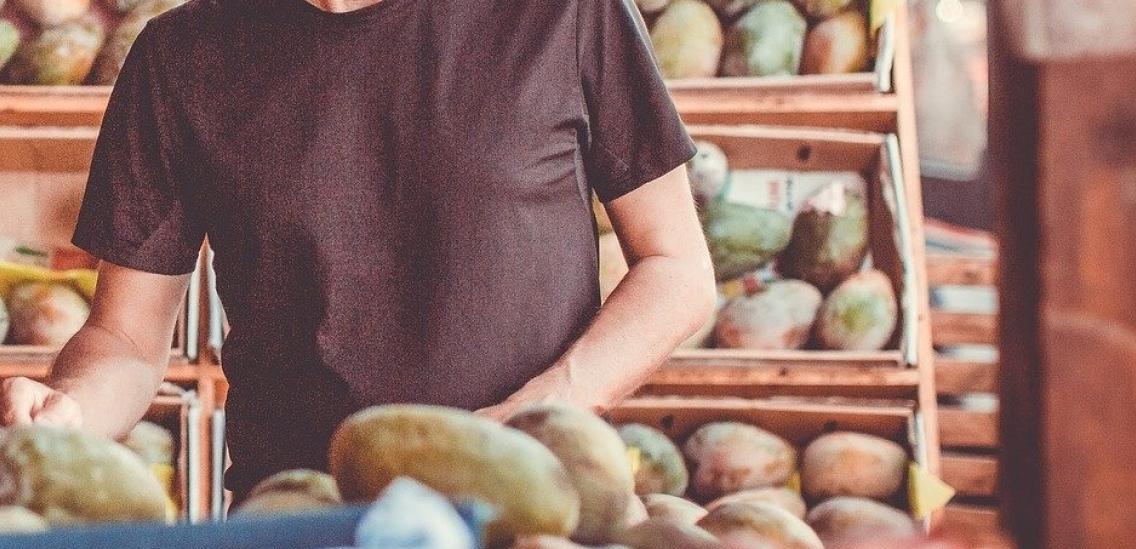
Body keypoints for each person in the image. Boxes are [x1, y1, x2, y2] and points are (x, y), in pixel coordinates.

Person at [0, 0, 715, 500]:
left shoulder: (559, 13)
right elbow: (123, 335)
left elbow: (676, 269)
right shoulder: (182, 57)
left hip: (535, 504)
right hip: (298, 521)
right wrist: (71, 414)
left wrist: (535, 415)